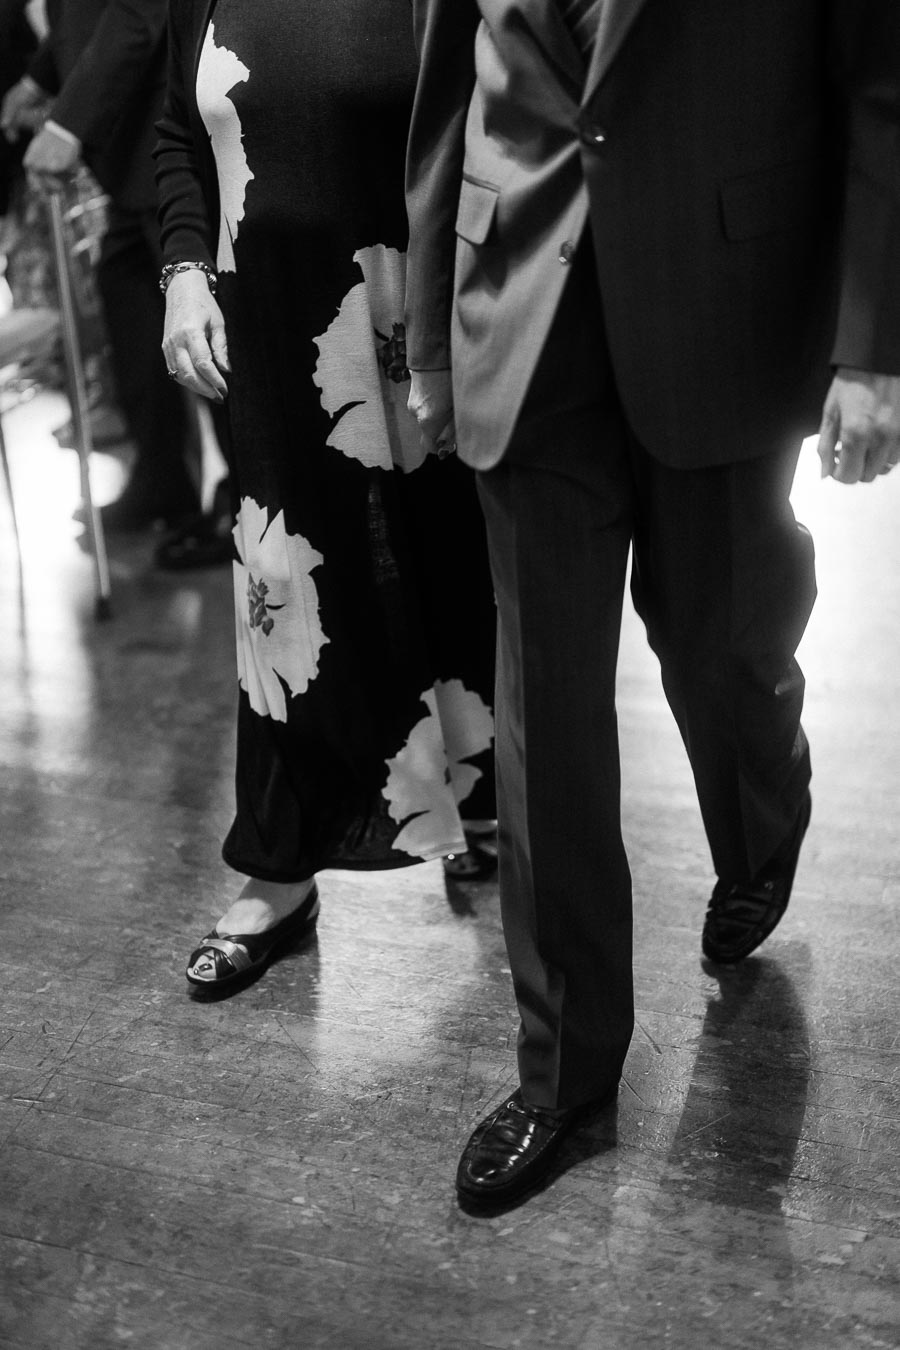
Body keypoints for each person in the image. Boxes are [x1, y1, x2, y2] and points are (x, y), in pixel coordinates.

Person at [405, 0, 900, 1207]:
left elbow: (879, 87)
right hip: (521, 315)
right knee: (547, 714)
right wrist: (427, 336)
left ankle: (761, 819)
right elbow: (442, 102)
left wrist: (874, 349)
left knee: (725, 646)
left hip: (727, 303)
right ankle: (566, 1073)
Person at [155, 0, 498, 993]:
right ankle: (279, 867)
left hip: (413, 307)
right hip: (259, 310)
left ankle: (478, 794)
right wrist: (182, 271)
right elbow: (175, 131)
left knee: (449, 554)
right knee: (280, 585)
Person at [0, 0, 203, 538]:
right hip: (126, 156)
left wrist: (69, 124)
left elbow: (141, 10)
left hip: (161, 131)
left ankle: (241, 503)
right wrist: (39, 77)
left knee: (202, 321)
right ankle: (164, 482)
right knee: (129, 302)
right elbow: (79, 12)